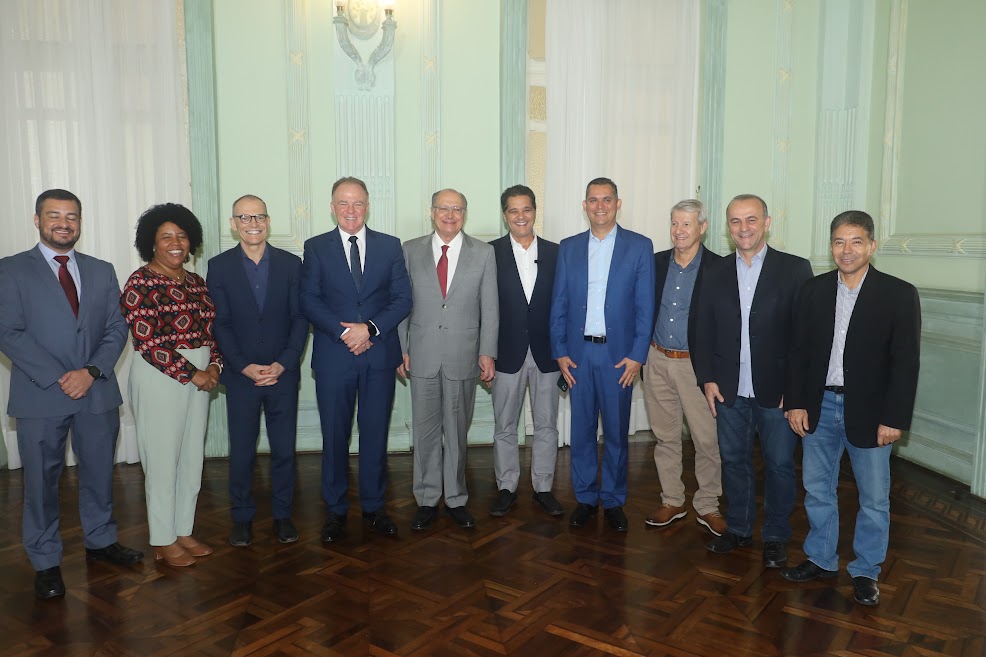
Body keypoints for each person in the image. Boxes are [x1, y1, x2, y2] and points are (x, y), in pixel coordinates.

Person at [0, 189, 143, 599]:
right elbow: (8, 332)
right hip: (40, 396)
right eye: (54, 215)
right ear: (37, 220)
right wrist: (62, 376)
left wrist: (91, 372)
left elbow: (118, 328)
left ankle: (100, 540)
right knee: (41, 484)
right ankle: (45, 561)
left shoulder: (101, 270)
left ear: (80, 221)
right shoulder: (10, 271)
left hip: (96, 393)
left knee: (99, 474)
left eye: (72, 216)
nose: (64, 223)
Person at [781, 211, 920, 607]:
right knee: (817, 489)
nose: (847, 250)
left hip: (871, 411)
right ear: (831, 247)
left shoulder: (897, 293)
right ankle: (822, 558)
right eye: (839, 242)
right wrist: (795, 403)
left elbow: (905, 361)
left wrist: (894, 418)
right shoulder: (813, 290)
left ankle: (865, 570)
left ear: (872, 246)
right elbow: (798, 352)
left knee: (874, 497)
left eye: (856, 241)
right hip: (819, 405)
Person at [693, 193, 812, 568]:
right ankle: (740, 529)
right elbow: (701, 329)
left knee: (778, 465)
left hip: (776, 392)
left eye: (751, 220)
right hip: (728, 387)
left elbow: (804, 337)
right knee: (734, 462)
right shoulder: (713, 271)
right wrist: (707, 379)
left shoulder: (794, 269)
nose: (743, 228)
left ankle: (775, 536)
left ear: (767, 222)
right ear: (727, 227)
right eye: (735, 221)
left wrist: (794, 390)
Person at [300, 177, 412, 542]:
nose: (351, 210)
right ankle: (334, 513)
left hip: (379, 357)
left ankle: (375, 508)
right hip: (335, 357)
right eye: (343, 203)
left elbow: (402, 299)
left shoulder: (390, 246)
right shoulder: (315, 247)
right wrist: (347, 332)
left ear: (368, 206)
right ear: (332, 207)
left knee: (375, 435)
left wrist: (371, 329)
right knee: (334, 437)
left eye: (358, 203)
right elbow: (309, 300)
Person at [550, 177, 655, 532]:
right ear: (584, 206)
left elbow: (645, 306)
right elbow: (559, 303)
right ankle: (585, 498)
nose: (600, 206)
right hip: (578, 354)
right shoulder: (568, 247)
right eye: (593, 200)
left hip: (618, 357)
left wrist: (638, 354)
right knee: (580, 432)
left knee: (615, 431)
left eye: (606, 200)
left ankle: (612, 500)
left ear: (617, 203)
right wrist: (560, 352)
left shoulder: (640, 247)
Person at [120, 203, 222, 567]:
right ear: (151, 242)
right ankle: (162, 539)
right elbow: (147, 342)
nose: (175, 243)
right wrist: (192, 372)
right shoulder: (140, 282)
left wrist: (214, 367)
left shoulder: (196, 282)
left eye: (181, 236)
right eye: (166, 237)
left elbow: (214, 331)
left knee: (191, 457)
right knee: (162, 461)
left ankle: (183, 531)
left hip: (200, 376)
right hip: (160, 376)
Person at [207, 195, 309, 547]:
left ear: (268, 221)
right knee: (242, 451)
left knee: (284, 450)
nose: (253, 223)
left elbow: (300, 318)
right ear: (233, 223)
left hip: (283, 374)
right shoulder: (218, 267)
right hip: (241, 376)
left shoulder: (291, 264)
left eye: (260, 216)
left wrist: (284, 362)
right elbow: (220, 323)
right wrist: (243, 366)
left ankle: (283, 516)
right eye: (245, 217)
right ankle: (242, 518)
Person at [398, 188, 498, 531]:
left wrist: (487, 351)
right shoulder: (410, 250)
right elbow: (401, 305)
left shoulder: (483, 254)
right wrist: (401, 347)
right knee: (425, 432)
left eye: (457, 209)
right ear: (432, 212)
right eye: (444, 208)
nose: (450, 214)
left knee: (456, 432)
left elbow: (491, 309)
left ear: (464, 214)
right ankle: (426, 498)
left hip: (463, 355)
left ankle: (455, 497)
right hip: (421, 354)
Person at [641, 199, 725, 536]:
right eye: (675, 223)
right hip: (657, 359)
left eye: (687, 224)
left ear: (702, 228)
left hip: (697, 366)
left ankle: (708, 505)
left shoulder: (720, 269)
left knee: (706, 440)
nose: (679, 230)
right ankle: (672, 500)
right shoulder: (656, 263)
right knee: (665, 437)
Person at [487, 185, 563, 518]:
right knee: (505, 425)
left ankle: (543, 487)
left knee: (546, 425)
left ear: (535, 211)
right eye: (513, 210)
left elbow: (566, 306)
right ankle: (506, 487)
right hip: (505, 353)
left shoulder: (557, 252)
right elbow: (482, 309)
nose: (521, 216)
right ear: (505, 215)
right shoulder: (488, 253)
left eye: (526, 209)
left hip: (548, 353)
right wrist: (485, 352)